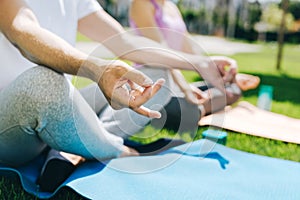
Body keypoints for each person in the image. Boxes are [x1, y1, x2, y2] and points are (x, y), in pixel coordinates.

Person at [0, 0, 239, 191]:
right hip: (11, 125)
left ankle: (74, 147)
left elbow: (125, 42)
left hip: (60, 109)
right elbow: (23, 33)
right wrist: (96, 68)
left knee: (156, 75)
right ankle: (113, 148)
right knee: (44, 82)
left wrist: (199, 63)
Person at [129, 0, 260, 128]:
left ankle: (206, 103)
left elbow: (190, 49)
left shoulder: (172, 8)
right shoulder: (142, 3)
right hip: (151, 86)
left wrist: (221, 75)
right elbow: (163, 55)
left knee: (234, 89)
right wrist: (185, 89)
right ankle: (203, 106)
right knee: (191, 111)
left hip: (174, 84)